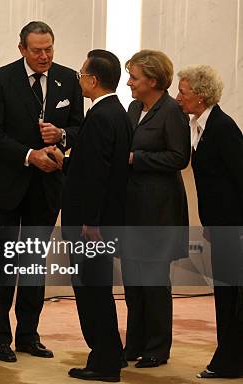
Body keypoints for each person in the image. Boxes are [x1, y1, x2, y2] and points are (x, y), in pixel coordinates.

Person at [0, 21, 83, 363]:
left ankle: (28, 335)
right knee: (2, 263)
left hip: (47, 187)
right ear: (22, 49)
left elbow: (80, 127)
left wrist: (62, 138)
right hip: (8, 185)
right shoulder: (0, 79)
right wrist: (29, 156)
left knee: (33, 264)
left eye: (49, 48)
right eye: (37, 50)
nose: (44, 56)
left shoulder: (68, 79)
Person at [58, 49, 132, 382]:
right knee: (96, 289)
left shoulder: (102, 115)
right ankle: (108, 354)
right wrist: (67, 163)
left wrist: (91, 220)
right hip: (98, 220)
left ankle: (103, 363)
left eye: (81, 73)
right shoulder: (116, 112)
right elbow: (94, 166)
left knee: (92, 292)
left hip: (91, 226)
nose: (79, 79)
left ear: (94, 79)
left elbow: (100, 175)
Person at [122, 50, 190, 368]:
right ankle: (133, 343)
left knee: (154, 282)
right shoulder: (134, 107)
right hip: (132, 209)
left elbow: (179, 158)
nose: (129, 83)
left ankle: (157, 348)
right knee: (133, 283)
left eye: (134, 77)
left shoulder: (172, 111)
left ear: (152, 79)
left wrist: (139, 159)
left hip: (160, 212)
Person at [176, 65, 243, 379]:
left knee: (232, 296)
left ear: (200, 97)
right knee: (226, 295)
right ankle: (228, 357)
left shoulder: (223, 128)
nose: (179, 98)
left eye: (184, 92)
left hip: (234, 229)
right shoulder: (200, 124)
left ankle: (228, 361)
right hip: (221, 226)